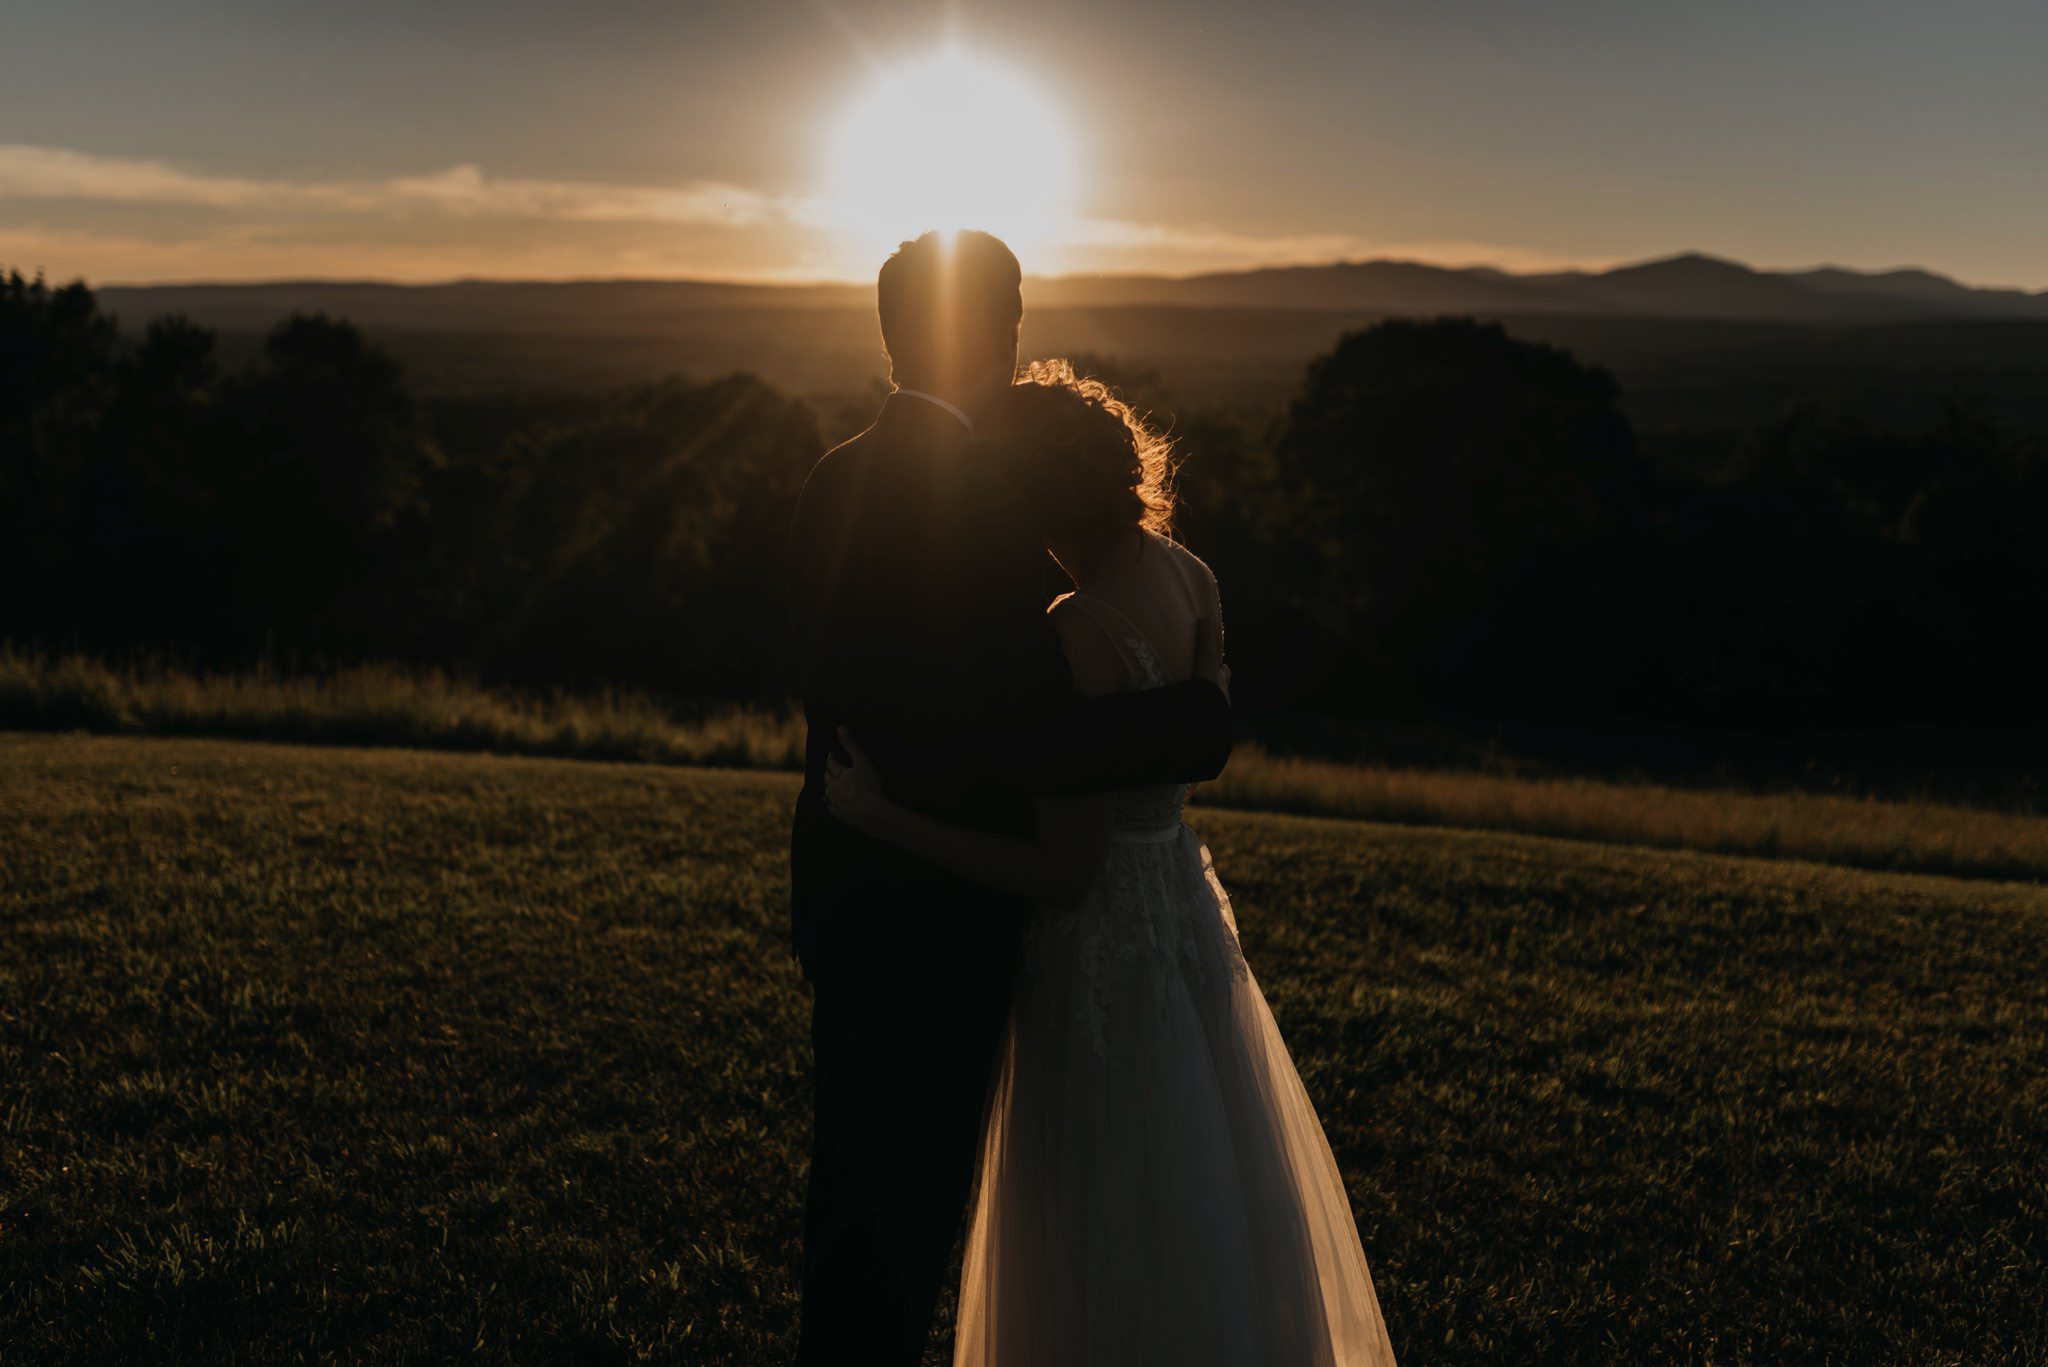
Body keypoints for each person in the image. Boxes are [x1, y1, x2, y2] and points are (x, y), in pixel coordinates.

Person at [823, 362, 1401, 1366]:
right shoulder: (1192, 575)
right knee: (1208, 1194)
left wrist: (881, 815)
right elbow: (1197, 730)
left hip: (1098, 958)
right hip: (1182, 915)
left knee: (1098, 1220)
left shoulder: (1073, 631)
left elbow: (1061, 868)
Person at [785, 230, 1234, 1364]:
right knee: (898, 1213)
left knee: (867, 1195)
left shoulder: (838, 473)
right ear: (996, 327)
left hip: (856, 886)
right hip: (936, 902)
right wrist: (1197, 723)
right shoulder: (985, 494)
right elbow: (1010, 728)